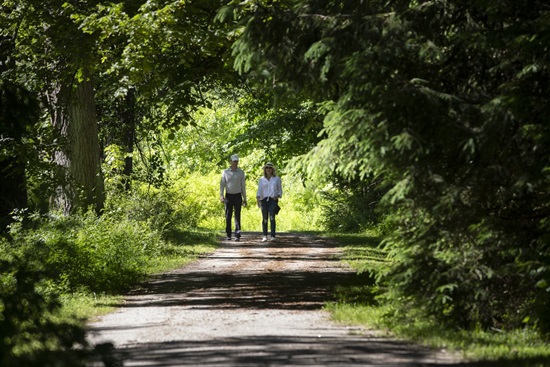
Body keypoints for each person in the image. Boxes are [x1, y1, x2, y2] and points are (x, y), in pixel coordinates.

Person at [220, 154, 247, 241]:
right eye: (234, 161)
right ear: (230, 161)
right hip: (229, 195)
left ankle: (237, 234)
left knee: (237, 215)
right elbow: (222, 184)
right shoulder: (225, 172)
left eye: (236, 161)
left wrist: (245, 198)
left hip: (238, 195)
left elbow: (243, 186)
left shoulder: (241, 172)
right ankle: (228, 234)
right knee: (228, 215)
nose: (235, 163)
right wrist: (221, 195)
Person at [256, 162, 283, 242]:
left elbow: (280, 191)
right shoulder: (262, 179)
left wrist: (277, 196)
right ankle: (264, 235)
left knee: (272, 217)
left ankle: (273, 235)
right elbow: (259, 190)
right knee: (264, 218)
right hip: (264, 199)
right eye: (267, 168)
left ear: (272, 170)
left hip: (273, 200)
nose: (268, 169)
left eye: (270, 168)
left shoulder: (277, 179)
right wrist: (258, 199)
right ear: (265, 169)